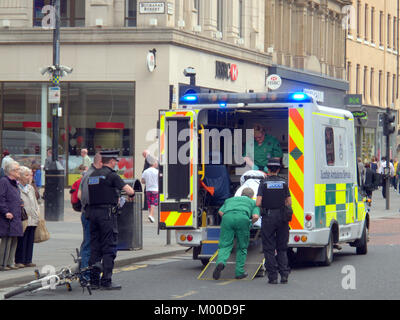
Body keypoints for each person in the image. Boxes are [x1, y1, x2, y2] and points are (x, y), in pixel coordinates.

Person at [86, 150, 135, 290]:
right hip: (106, 215)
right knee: (109, 247)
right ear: (112, 161)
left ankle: (94, 281)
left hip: (93, 213)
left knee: (95, 247)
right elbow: (130, 191)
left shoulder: (92, 175)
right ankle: (106, 280)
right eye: (116, 161)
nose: (116, 163)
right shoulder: (112, 175)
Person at [256, 157, 292, 284]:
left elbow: (258, 202)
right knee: (282, 247)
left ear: (268, 168)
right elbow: (289, 202)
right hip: (282, 217)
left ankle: (273, 277)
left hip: (268, 217)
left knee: (269, 248)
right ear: (278, 169)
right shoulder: (284, 183)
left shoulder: (263, 183)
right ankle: (284, 275)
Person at [212, 188, 260, 280]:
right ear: (251, 196)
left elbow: (220, 211)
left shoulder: (229, 200)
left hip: (227, 218)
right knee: (242, 247)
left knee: (225, 245)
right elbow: (255, 216)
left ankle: (220, 262)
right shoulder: (253, 203)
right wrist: (250, 223)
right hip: (242, 219)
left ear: (241, 194)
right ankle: (239, 272)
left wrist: (228, 218)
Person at [77, 153, 102, 283]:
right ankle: (84, 275)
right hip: (89, 214)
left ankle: (85, 272)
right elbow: (82, 196)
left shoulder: (88, 174)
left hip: (87, 212)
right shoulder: (91, 175)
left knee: (87, 243)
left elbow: (80, 195)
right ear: (100, 162)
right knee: (88, 244)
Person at [15, 166, 40, 268]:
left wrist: (37, 214)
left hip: (33, 216)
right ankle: (19, 260)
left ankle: (28, 259)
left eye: (29, 175)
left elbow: (35, 202)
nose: (29, 177)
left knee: (30, 239)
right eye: (26, 175)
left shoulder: (30, 188)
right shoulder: (16, 187)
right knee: (22, 239)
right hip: (23, 217)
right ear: (20, 176)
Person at [0, 161, 23, 271]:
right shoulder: (4, 181)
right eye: (17, 170)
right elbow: (1, 198)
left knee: (14, 239)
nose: (19, 172)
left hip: (16, 215)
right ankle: (2, 264)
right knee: (7, 240)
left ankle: (10, 262)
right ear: (11, 171)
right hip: (8, 216)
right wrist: (5, 211)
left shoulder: (15, 183)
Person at [141, 158, 159, 223]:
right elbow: (160, 180)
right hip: (155, 189)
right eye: (156, 163)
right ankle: (151, 215)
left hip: (148, 189)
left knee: (149, 203)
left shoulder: (145, 171)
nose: (157, 164)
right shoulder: (157, 171)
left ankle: (151, 215)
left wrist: (148, 181)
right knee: (153, 203)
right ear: (153, 164)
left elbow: (142, 181)